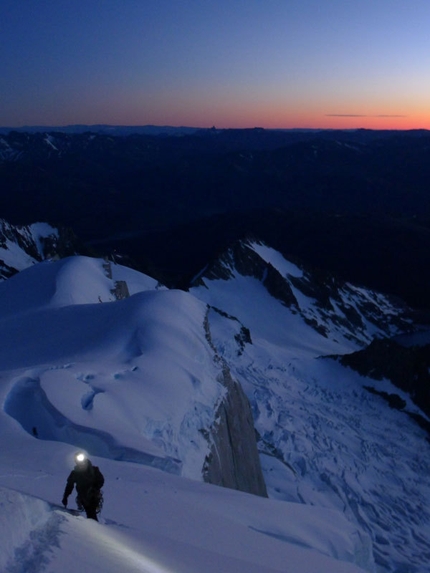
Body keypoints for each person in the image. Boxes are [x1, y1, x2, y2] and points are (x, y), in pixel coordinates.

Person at [62, 452, 104, 521]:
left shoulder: (94, 470)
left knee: (91, 512)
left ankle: (94, 527)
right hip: (83, 496)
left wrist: (95, 488)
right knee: (90, 512)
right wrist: (65, 496)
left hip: (93, 495)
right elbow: (69, 485)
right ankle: (93, 527)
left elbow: (101, 480)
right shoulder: (75, 473)